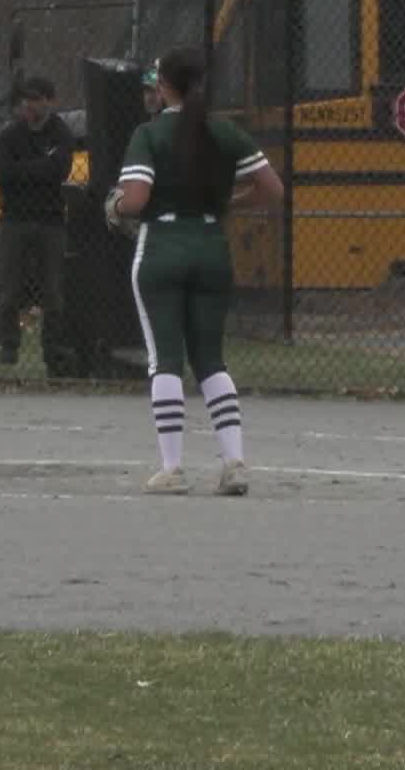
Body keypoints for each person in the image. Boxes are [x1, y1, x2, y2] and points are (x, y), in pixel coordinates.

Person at [106, 50, 285, 497]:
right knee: (211, 359)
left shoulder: (149, 133)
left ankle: (172, 467)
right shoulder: (224, 131)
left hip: (162, 248)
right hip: (211, 247)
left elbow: (137, 199)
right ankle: (234, 462)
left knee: (164, 358)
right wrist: (227, 205)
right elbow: (272, 189)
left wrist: (113, 205)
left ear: (164, 86)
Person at [0, 75, 75, 366]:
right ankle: (8, 347)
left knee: (52, 289)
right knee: (10, 286)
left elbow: (60, 171)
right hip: (15, 219)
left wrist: (24, 171)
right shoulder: (10, 135)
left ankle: (52, 348)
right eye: (26, 99)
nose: (28, 105)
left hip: (50, 220)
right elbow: (3, 175)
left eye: (36, 99)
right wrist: (40, 169)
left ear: (49, 102)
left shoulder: (61, 133)